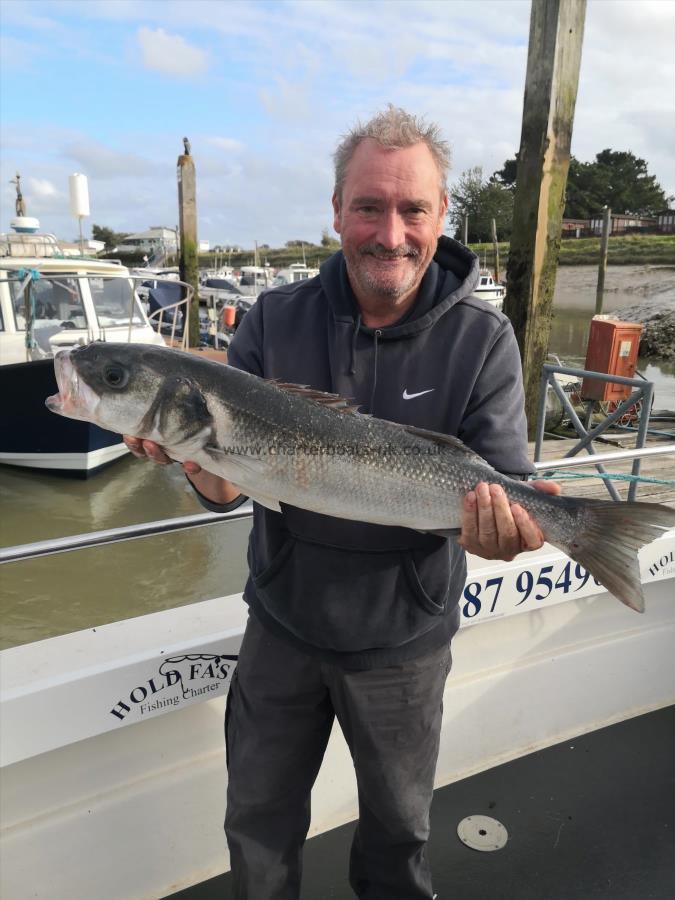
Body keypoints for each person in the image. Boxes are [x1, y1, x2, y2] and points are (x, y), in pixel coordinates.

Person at [124, 106, 560, 899]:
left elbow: (502, 494)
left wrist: (513, 533)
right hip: (281, 628)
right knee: (256, 820)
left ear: (439, 217)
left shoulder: (481, 340)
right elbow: (228, 486)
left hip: (403, 644)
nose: (388, 233)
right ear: (335, 212)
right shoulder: (273, 319)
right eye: (368, 207)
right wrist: (185, 453)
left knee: (398, 833)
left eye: (411, 210)